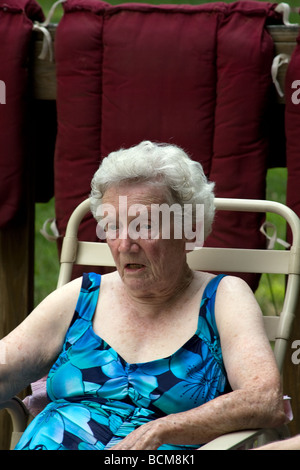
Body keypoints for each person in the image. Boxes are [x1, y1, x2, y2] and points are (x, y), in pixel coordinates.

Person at [0, 141, 286, 450]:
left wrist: (164, 429)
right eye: (113, 226)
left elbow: (265, 400)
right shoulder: (82, 297)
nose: (125, 244)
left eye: (145, 225)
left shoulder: (223, 298)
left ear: (189, 228)